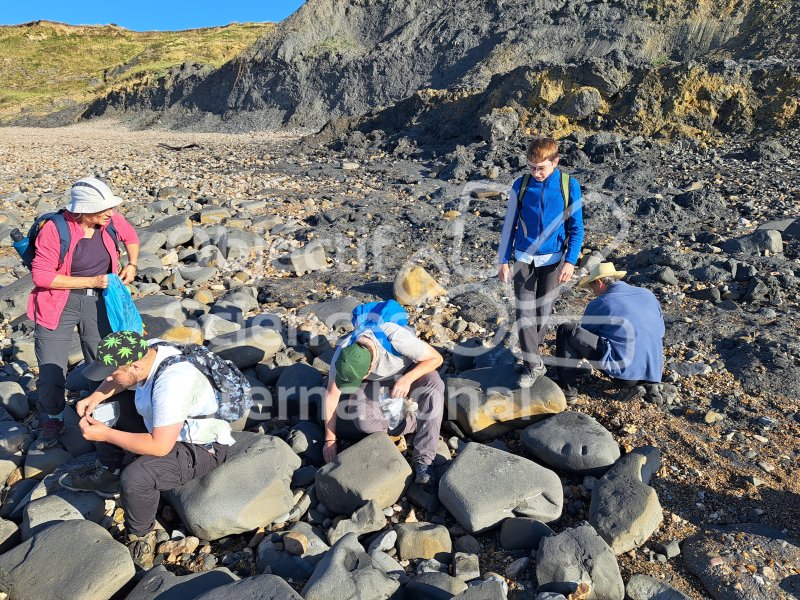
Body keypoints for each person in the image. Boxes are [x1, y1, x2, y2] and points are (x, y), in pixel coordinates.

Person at [58, 330, 235, 569]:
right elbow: (114, 382)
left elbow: (160, 446)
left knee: (137, 477)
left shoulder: (171, 384)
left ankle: (141, 537)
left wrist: (106, 434)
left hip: (200, 445)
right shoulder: (148, 349)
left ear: (134, 366)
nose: (110, 378)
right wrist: (95, 397)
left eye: (114, 372)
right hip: (166, 423)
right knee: (102, 409)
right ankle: (110, 471)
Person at [29, 176, 139, 450]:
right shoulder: (56, 230)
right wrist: (91, 281)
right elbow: (42, 276)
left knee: (102, 360)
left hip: (99, 301)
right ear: (84, 212)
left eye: (111, 208)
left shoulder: (110, 220)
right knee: (52, 369)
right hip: (57, 302)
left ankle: (99, 415)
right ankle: (52, 417)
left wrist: (133, 264)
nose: (111, 213)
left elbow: (131, 237)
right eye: (103, 210)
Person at [497, 137, 584, 388]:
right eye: (531, 167)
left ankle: (528, 357)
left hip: (555, 261)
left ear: (555, 162)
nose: (535, 173)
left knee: (542, 314)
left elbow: (576, 228)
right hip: (523, 258)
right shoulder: (520, 185)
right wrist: (503, 260)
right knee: (524, 314)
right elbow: (509, 225)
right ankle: (534, 365)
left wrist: (570, 261)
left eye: (541, 168)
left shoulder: (569, 186)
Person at [321, 319, 444, 486]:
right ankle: (417, 421)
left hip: (406, 372)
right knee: (363, 421)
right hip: (374, 383)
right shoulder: (343, 355)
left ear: (370, 367)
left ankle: (423, 461)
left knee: (434, 384)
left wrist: (406, 380)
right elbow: (331, 396)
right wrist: (330, 439)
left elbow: (436, 358)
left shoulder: (395, 337)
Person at [555, 262, 665, 399]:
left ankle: (568, 390)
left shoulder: (601, 302)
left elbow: (582, 336)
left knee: (567, 331)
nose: (592, 292)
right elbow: (661, 331)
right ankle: (647, 384)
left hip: (625, 376)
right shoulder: (648, 294)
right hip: (654, 371)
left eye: (592, 286)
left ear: (600, 282)